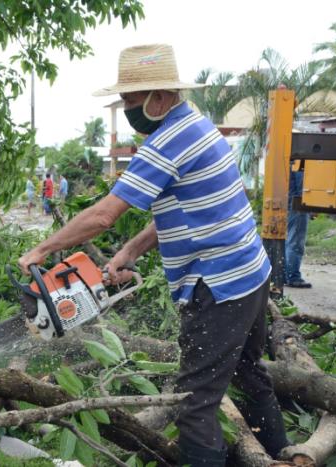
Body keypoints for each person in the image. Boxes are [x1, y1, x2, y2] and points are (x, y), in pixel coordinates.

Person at [18, 44, 288, 466]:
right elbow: (180, 210)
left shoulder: (166, 142)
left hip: (219, 286)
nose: (128, 111)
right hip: (249, 273)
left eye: (130, 102)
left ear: (159, 98)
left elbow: (104, 214)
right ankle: (281, 454)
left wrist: (42, 248)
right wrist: (130, 251)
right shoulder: (195, 126)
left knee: (194, 404)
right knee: (249, 373)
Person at [285, 165, 311, 288]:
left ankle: (286, 275)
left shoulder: (288, 159)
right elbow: (303, 190)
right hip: (298, 205)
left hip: (288, 203)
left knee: (289, 240)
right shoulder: (302, 162)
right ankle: (293, 277)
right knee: (295, 242)